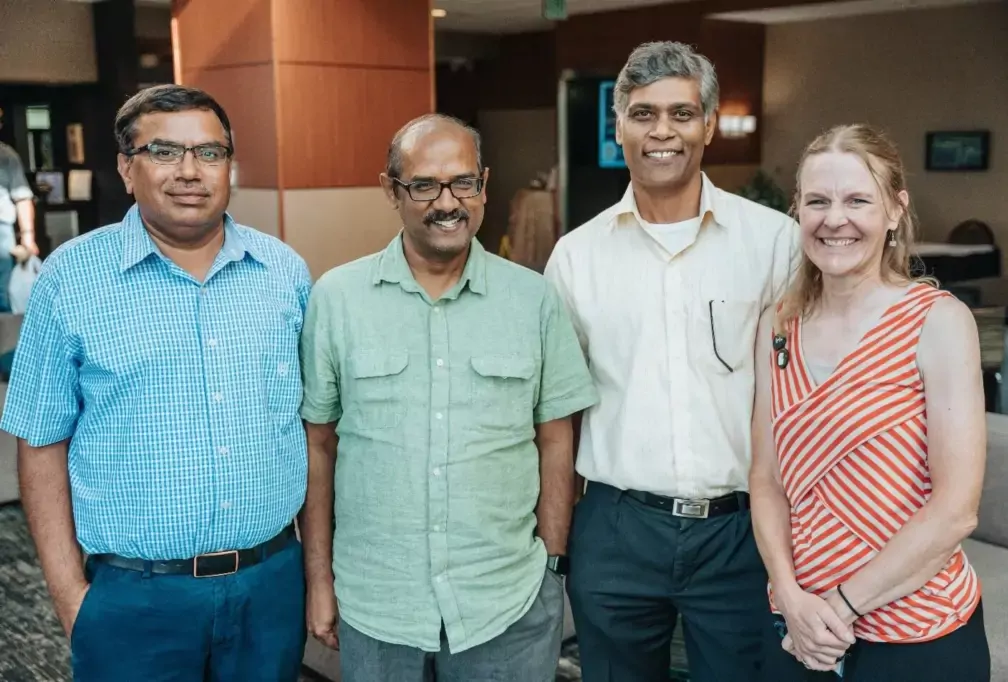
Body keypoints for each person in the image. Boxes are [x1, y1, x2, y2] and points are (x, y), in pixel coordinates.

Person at [0, 85, 311, 681]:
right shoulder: (72, 278)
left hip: (270, 584)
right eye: (164, 152)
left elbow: (311, 428)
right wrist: (72, 598)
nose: (190, 171)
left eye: (210, 153)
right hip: (134, 597)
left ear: (230, 165)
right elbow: (38, 442)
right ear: (125, 167)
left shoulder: (283, 274)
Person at [299, 113, 597, 681]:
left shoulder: (532, 300)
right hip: (376, 602)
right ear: (391, 189)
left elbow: (557, 439)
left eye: (463, 182)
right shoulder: (337, 298)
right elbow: (319, 447)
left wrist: (552, 566)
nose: (447, 202)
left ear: (484, 185)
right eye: (424, 185)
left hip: (505, 603)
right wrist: (319, 580)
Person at [544, 41, 800, 682]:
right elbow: (554, 414)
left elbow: (807, 393)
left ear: (709, 125)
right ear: (620, 126)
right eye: (643, 113)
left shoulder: (775, 242)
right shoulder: (576, 258)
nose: (662, 132)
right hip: (616, 529)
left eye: (682, 114)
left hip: (743, 532)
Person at [750, 123, 990, 681]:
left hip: (917, 634)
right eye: (817, 201)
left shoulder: (938, 322)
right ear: (798, 212)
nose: (835, 219)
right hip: (797, 628)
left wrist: (836, 609)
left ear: (894, 211)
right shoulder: (778, 325)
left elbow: (956, 510)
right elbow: (765, 478)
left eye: (858, 199)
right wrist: (789, 596)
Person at [0, 106, 39, 311]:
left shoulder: (5, 155)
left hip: (2, 233)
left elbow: (22, 197)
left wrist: (28, 238)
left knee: (4, 294)